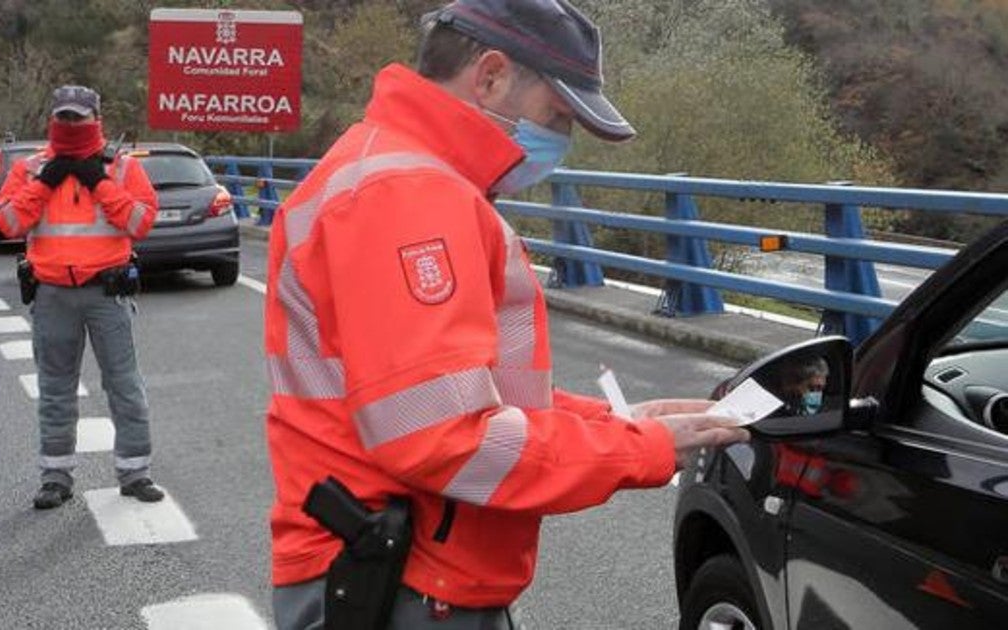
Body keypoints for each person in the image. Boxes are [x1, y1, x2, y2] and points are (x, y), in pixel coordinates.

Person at [263, 1, 751, 627]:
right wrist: (640, 449)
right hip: (396, 581)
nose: (562, 142)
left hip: (397, 568)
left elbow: (461, 392)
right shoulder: (410, 198)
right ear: (490, 76)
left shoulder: (394, 172)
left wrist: (620, 421)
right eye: (556, 115)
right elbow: (443, 436)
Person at [0, 85, 164, 510]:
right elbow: (8, 222)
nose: (70, 125)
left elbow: (141, 221)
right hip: (52, 294)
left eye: (78, 118)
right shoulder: (33, 169)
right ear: (52, 118)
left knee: (124, 386)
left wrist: (100, 183)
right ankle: (55, 477)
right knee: (55, 389)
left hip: (107, 292)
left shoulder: (121, 168)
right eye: (64, 117)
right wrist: (45, 183)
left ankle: (135, 472)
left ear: (95, 119)